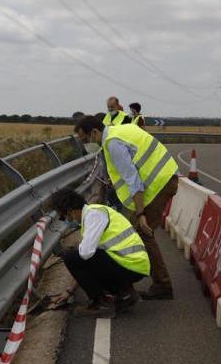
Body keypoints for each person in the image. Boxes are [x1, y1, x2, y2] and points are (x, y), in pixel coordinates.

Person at [74, 113, 178, 299]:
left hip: (157, 185)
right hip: (164, 178)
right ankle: (146, 283)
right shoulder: (118, 131)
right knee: (138, 232)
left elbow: (133, 180)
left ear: (95, 132)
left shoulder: (113, 144)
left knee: (144, 233)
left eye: (85, 139)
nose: (85, 144)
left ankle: (162, 285)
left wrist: (140, 213)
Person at [49, 187, 149, 318]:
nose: (67, 220)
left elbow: (85, 254)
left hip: (131, 265)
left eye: (63, 216)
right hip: (133, 263)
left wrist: (74, 251)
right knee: (85, 256)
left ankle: (100, 304)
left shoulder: (94, 215)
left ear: (69, 211)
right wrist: (70, 290)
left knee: (71, 257)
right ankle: (125, 293)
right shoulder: (96, 213)